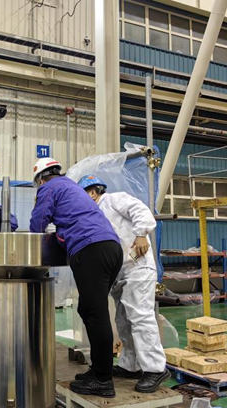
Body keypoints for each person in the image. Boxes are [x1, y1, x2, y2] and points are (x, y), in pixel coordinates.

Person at [29, 158, 123, 398]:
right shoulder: (71, 187)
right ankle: (98, 371)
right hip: (111, 248)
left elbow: (38, 223)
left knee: (95, 313)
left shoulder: (49, 187)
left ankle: (102, 380)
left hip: (91, 249)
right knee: (90, 310)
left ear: (40, 180)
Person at [77, 174, 170, 393]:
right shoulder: (93, 214)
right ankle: (131, 365)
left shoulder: (113, 199)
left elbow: (140, 210)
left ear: (93, 192)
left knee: (140, 316)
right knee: (123, 320)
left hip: (137, 265)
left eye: (82, 195)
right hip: (119, 272)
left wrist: (141, 234)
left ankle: (156, 368)